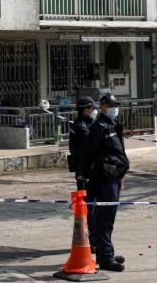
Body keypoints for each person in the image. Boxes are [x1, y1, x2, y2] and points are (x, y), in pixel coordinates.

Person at [77, 94, 129, 272]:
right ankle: (106, 258)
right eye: (113, 105)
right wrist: (82, 174)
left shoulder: (112, 124)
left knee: (107, 218)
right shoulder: (99, 126)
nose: (116, 108)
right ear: (104, 106)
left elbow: (118, 152)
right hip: (105, 177)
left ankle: (104, 253)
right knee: (105, 218)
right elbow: (88, 152)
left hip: (114, 176)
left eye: (117, 105)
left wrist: (121, 175)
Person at [69, 96, 98, 253]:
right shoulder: (81, 127)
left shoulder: (84, 124)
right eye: (91, 108)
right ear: (84, 110)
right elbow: (91, 148)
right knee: (90, 209)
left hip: (85, 172)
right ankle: (91, 242)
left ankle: (89, 239)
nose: (94, 111)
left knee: (90, 208)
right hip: (85, 174)